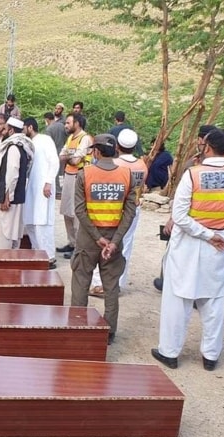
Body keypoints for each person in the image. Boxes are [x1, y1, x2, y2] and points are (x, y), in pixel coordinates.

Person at [151, 128, 224, 371]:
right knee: (214, 301)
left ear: (208, 147)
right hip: (220, 245)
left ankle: (169, 352)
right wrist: (218, 234)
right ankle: (211, 356)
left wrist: (207, 234)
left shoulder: (193, 175)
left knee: (178, 299)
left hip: (191, 245)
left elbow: (180, 216)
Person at [70, 134, 137, 345]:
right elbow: (130, 212)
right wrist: (115, 241)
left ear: (96, 151)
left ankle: (78, 327)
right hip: (114, 239)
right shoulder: (127, 175)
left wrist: (97, 238)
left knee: (81, 282)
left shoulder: (85, 174)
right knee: (111, 287)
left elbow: (79, 211)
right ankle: (108, 333)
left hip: (88, 239)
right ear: (116, 149)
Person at [153, 125, 216, 291]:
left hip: (189, 218)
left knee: (176, 251)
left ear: (203, 142)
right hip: (211, 219)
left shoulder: (194, 166)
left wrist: (173, 218)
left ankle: (169, 281)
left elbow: (182, 196)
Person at [89, 129, 147, 296]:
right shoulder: (141, 165)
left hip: (114, 209)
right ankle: (118, 283)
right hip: (133, 209)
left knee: (105, 243)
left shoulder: (116, 165)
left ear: (118, 146)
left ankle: (100, 284)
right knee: (126, 245)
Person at [0, 117, 34, 249]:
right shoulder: (21, 145)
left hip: (9, 199)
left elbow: (12, 174)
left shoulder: (13, 147)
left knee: (6, 235)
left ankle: (4, 265)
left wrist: (7, 197)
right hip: (15, 197)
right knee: (13, 234)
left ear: (11, 130)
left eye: (5, 128)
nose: (2, 131)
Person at [23, 117, 60, 267]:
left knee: (43, 222)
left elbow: (54, 161)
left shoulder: (45, 140)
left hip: (44, 188)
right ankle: (37, 252)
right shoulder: (29, 143)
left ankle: (49, 256)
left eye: (24, 128)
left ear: (30, 127)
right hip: (31, 188)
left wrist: (48, 182)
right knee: (30, 221)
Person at [57, 113, 93, 258]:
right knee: (66, 211)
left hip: (79, 176)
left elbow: (76, 160)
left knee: (77, 212)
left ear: (77, 123)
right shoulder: (71, 138)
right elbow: (61, 156)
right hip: (69, 175)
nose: (65, 125)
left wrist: (68, 158)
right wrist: (69, 158)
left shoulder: (85, 139)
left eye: (68, 123)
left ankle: (79, 246)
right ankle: (71, 242)